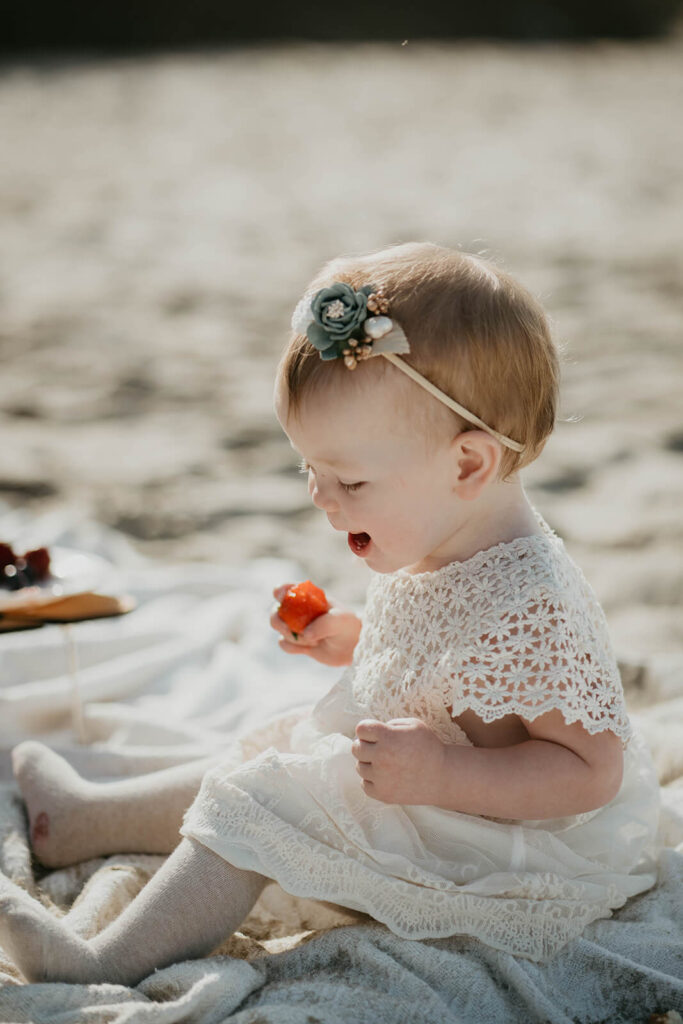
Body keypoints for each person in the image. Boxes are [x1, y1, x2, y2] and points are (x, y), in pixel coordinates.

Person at [0, 242, 660, 986]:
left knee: (273, 796)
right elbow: (443, 658)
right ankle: (88, 820)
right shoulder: (446, 533)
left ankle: (105, 960)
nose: (321, 496)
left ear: (467, 464)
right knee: (274, 747)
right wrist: (356, 638)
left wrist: (445, 772)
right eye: (308, 470)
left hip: (497, 839)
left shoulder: (534, 604)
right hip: (425, 790)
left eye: (348, 478)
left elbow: (588, 772)